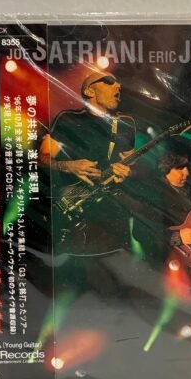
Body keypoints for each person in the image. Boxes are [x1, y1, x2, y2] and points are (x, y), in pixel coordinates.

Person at [38, 71, 135, 256]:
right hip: (73, 207)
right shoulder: (68, 118)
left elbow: (133, 165)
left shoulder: (125, 123)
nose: (118, 85)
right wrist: (69, 166)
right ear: (90, 91)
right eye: (108, 81)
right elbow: (41, 158)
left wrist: (128, 172)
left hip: (111, 213)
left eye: (118, 83)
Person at [132, 152, 191, 270]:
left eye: (187, 167)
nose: (187, 173)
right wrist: (177, 237)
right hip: (167, 265)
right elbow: (139, 232)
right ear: (165, 169)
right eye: (180, 168)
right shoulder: (153, 194)